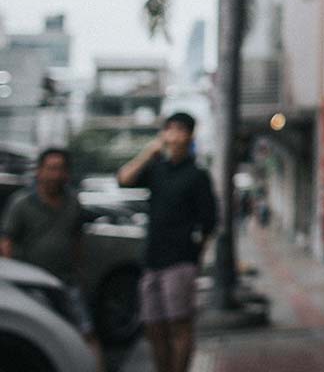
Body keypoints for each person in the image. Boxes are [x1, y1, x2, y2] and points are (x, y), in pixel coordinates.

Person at [118, 112, 216, 372]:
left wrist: (196, 257)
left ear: (190, 135)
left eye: (180, 129)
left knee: (179, 324)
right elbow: (124, 179)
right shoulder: (156, 167)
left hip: (180, 260)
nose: (173, 135)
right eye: (169, 129)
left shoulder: (197, 174)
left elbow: (209, 222)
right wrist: (149, 153)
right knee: (153, 327)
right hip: (152, 259)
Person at [0, 147, 104, 371]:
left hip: (66, 281)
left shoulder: (72, 201)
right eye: (51, 169)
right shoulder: (22, 204)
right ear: (39, 171)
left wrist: (80, 271)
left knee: (85, 333)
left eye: (60, 169)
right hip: (32, 285)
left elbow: (77, 239)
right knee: (39, 335)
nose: (56, 174)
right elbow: (6, 243)